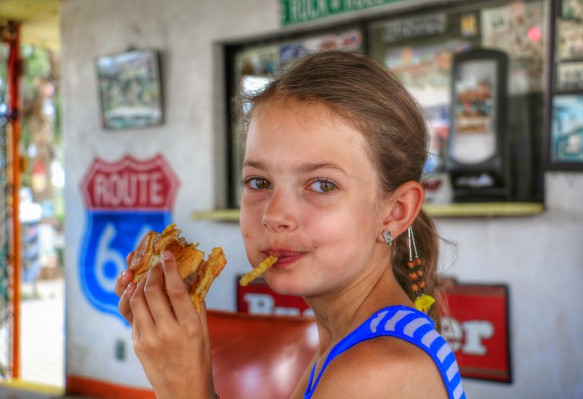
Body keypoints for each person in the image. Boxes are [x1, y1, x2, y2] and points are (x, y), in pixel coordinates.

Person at [116, 50, 466, 399]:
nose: (273, 215)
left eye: (322, 184)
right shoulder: (341, 343)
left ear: (396, 212)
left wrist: (184, 389)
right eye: (258, 182)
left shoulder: (376, 371)